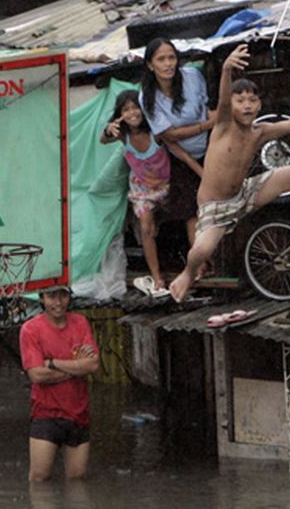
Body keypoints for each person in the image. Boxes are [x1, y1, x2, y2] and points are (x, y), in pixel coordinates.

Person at [168, 44, 290, 302]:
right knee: (202, 250)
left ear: (259, 105)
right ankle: (187, 274)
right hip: (215, 207)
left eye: (252, 100)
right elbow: (221, 99)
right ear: (230, 106)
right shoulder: (223, 125)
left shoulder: (259, 131)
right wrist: (227, 69)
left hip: (245, 193)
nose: (247, 105)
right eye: (240, 100)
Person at [100, 90, 201, 294]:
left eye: (135, 107)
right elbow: (103, 140)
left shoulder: (157, 134)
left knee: (189, 217)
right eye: (126, 109)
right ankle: (157, 277)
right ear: (120, 115)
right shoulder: (123, 136)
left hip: (166, 186)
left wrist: (203, 174)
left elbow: (183, 155)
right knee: (146, 228)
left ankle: (198, 266)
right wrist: (108, 129)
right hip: (142, 188)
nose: (132, 113)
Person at [138, 38, 214, 249]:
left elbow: (207, 108)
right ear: (150, 65)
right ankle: (200, 263)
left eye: (172, 57)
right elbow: (169, 136)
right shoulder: (147, 97)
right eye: (161, 59)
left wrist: (211, 124)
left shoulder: (192, 76)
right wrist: (205, 125)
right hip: (180, 156)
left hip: (212, 145)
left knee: (217, 202)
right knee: (191, 210)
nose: (168, 64)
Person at [19, 286, 99, 482]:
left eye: (63, 296)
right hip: (46, 413)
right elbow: (37, 375)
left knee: (77, 479)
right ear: (42, 299)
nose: (58, 302)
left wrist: (53, 363)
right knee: (39, 478)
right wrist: (75, 367)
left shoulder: (80, 323)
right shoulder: (30, 329)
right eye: (51, 296)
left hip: (78, 413)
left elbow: (93, 364)